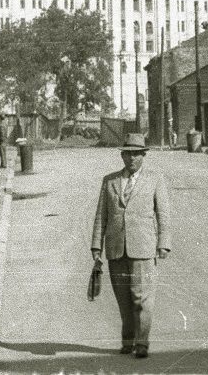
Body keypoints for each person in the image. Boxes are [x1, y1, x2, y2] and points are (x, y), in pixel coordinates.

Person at [90, 132, 170, 359]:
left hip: (143, 248)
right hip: (116, 248)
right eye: (128, 154)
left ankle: (142, 343)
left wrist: (163, 243)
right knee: (123, 298)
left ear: (144, 156)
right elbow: (100, 216)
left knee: (141, 298)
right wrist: (96, 246)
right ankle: (128, 340)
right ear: (122, 156)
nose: (132, 159)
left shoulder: (155, 179)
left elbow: (163, 215)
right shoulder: (110, 181)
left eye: (137, 154)